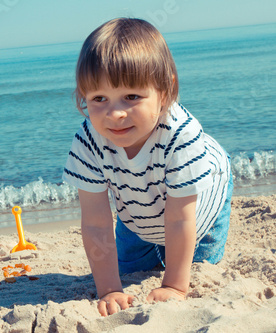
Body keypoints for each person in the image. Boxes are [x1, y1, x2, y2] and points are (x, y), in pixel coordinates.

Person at [63, 18, 232, 317]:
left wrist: (175, 287)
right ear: (83, 98)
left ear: (165, 91)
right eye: (99, 98)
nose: (115, 113)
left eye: (131, 97)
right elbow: (95, 222)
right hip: (137, 212)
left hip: (199, 204)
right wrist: (110, 289)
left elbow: (180, 219)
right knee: (129, 270)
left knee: (197, 264)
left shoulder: (181, 135)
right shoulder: (89, 139)